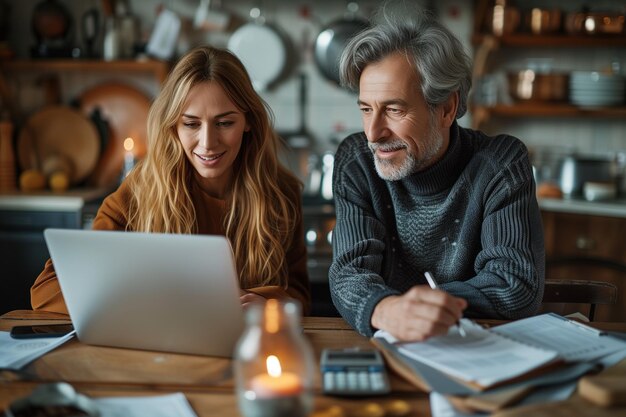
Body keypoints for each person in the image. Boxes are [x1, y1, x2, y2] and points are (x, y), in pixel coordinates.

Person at [31, 46, 310, 315]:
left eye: (225, 123)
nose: (208, 143)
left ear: (249, 122)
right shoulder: (142, 189)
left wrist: (270, 307)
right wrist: (145, 301)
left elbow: (299, 296)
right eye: (190, 124)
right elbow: (46, 291)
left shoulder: (281, 193)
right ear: (173, 126)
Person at [330, 6, 544, 341]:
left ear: (445, 109)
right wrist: (389, 311)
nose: (373, 133)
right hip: (386, 346)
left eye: (394, 109)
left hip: (473, 349)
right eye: (366, 109)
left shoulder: (500, 162)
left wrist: (414, 310)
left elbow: (514, 284)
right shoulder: (356, 161)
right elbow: (349, 274)